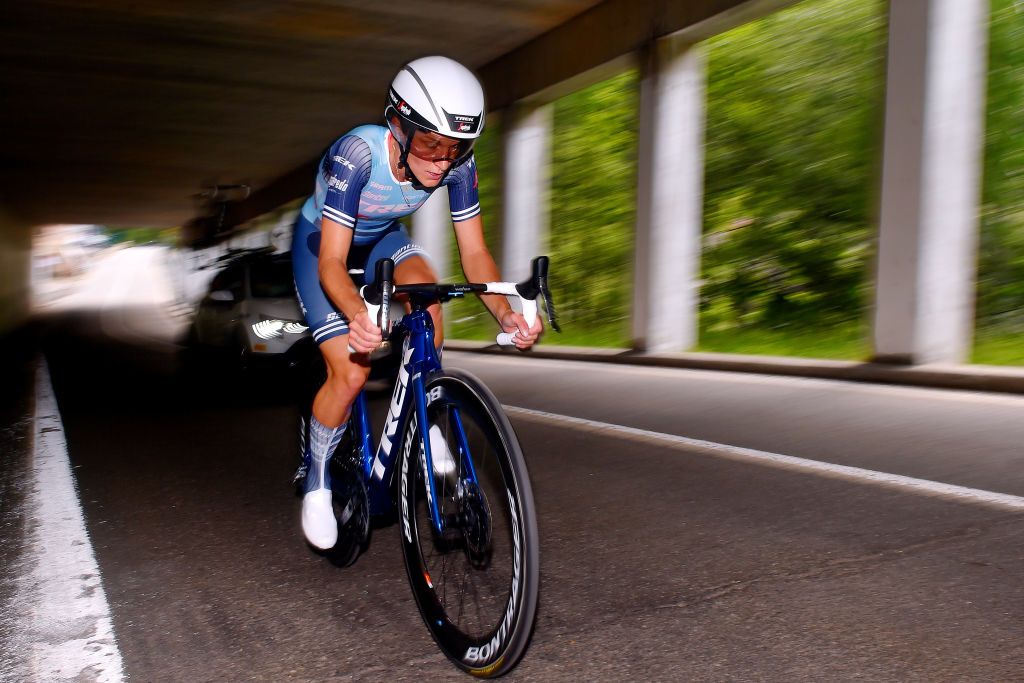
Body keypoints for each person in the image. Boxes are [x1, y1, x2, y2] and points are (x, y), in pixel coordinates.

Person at [291, 55, 543, 550]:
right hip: (322, 243)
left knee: (428, 297)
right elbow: (332, 265)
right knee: (352, 372)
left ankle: (425, 415)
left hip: (383, 238)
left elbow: (474, 253)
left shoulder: (457, 165)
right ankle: (318, 480)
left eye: (455, 147)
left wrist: (506, 312)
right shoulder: (356, 155)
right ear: (397, 125)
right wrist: (357, 316)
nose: (440, 160)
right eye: (429, 142)